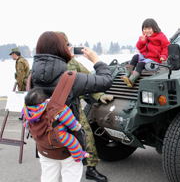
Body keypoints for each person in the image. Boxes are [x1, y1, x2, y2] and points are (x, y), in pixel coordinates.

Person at [31, 31, 112, 182]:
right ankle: (89, 166)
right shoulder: (70, 76)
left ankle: (91, 168)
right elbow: (104, 80)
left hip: (44, 139)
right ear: (61, 48)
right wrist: (96, 60)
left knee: (48, 175)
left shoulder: (32, 74)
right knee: (73, 166)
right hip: (69, 133)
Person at [56, 31, 114, 181]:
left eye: (68, 44)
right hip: (55, 112)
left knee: (87, 137)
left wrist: (100, 96)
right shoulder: (52, 64)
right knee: (58, 142)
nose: (68, 47)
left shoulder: (74, 63)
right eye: (64, 45)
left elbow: (90, 81)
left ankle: (91, 168)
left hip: (74, 109)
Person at [22, 87, 90, 162]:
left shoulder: (26, 110)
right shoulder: (55, 107)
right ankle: (79, 156)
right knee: (72, 141)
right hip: (57, 135)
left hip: (38, 135)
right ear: (45, 99)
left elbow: (25, 121)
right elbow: (69, 119)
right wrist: (76, 127)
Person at [121, 18, 170, 87]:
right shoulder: (144, 37)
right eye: (145, 29)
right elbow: (139, 47)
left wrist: (164, 55)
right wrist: (142, 41)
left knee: (140, 64)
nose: (147, 31)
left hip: (154, 60)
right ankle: (127, 74)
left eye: (149, 29)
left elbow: (166, 46)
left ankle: (132, 80)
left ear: (154, 28)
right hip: (145, 57)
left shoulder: (160, 36)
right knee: (135, 57)